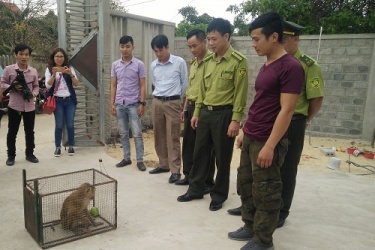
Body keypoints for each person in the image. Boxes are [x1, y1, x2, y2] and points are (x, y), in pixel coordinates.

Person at [227, 13, 304, 250]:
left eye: (256, 39)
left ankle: (263, 240)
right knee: (247, 184)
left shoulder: (291, 67)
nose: (253, 44)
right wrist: (245, 131)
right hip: (252, 136)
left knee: (267, 192)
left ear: (274, 36)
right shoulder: (267, 65)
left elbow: (287, 110)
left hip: (267, 140)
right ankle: (250, 226)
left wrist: (270, 145)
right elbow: (260, 102)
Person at [177, 18, 249, 212]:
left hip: (224, 115)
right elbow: (202, 90)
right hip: (205, 114)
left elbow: (240, 94)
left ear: (226, 36)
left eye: (214, 39)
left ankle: (218, 195)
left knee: (222, 157)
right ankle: (195, 189)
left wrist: (236, 120)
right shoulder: (207, 61)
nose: (210, 43)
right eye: (208, 39)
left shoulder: (238, 62)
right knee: (200, 153)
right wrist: (197, 112)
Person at [277, 20, 324, 228]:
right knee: (267, 165)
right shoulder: (276, 61)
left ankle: (281, 211)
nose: (281, 43)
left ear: (295, 39)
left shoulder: (308, 65)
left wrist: (305, 120)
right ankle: (260, 205)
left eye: (284, 40)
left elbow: (316, 99)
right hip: (273, 120)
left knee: (287, 169)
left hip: (294, 121)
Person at [174, 29, 216, 193]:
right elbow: (190, 88)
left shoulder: (211, 62)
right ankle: (189, 175)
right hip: (191, 106)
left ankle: (207, 181)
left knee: (205, 147)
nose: (192, 49)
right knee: (189, 144)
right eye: (189, 46)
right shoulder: (193, 63)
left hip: (204, 109)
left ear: (204, 42)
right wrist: (184, 108)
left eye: (195, 46)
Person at [149, 34, 188, 183]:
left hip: (173, 103)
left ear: (167, 47)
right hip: (157, 102)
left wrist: (175, 99)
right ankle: (163, 164)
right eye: (156, 51)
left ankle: (175, 170)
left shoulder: (179, 63)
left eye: (160, 50)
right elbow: (155, 83)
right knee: (158, 135)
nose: (159, 54)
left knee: (173, 137)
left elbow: (184, 83)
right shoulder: (154, 65)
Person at [110, 35, 147, 171]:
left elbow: (143, 85)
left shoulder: (139, 64)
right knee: (123, 133)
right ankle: (126, 158)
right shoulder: (115, 65)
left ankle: (140, 160)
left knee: (137, 133)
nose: (124, 49)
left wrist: (142, 103)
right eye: (122, 46)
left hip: (133, 104)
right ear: (119, 47)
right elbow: (113, 85)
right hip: (120, 103)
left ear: (133, 47)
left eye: (127, 46)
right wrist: (112, 104)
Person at [0, 44, 39, 166]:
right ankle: (11, 156)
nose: (24, 57)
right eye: (21, 54)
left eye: (26, 54)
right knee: (12, 132)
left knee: (30, 131)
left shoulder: (33, 71)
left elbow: (37, 86)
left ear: (29, 56)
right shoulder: (9, 69)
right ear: (16, 54)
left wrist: (33, 93)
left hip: (30, 107)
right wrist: (13, 87)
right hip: (14, 106)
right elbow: (2, 83)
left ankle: (30, 154)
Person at [45, 48, 79, 157]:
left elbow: (76, 83)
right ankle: (58, 147)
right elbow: (48, 85)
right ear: (53, 58)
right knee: (59, 125)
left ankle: (71, 146)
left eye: (61, 56)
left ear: (64, 58)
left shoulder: (69, 68)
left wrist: (70, 74)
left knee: (70, 124)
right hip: (58, 101)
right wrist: (54, 74)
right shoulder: (49, 69)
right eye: (57, 56)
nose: (59, 58)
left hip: (70, 100)